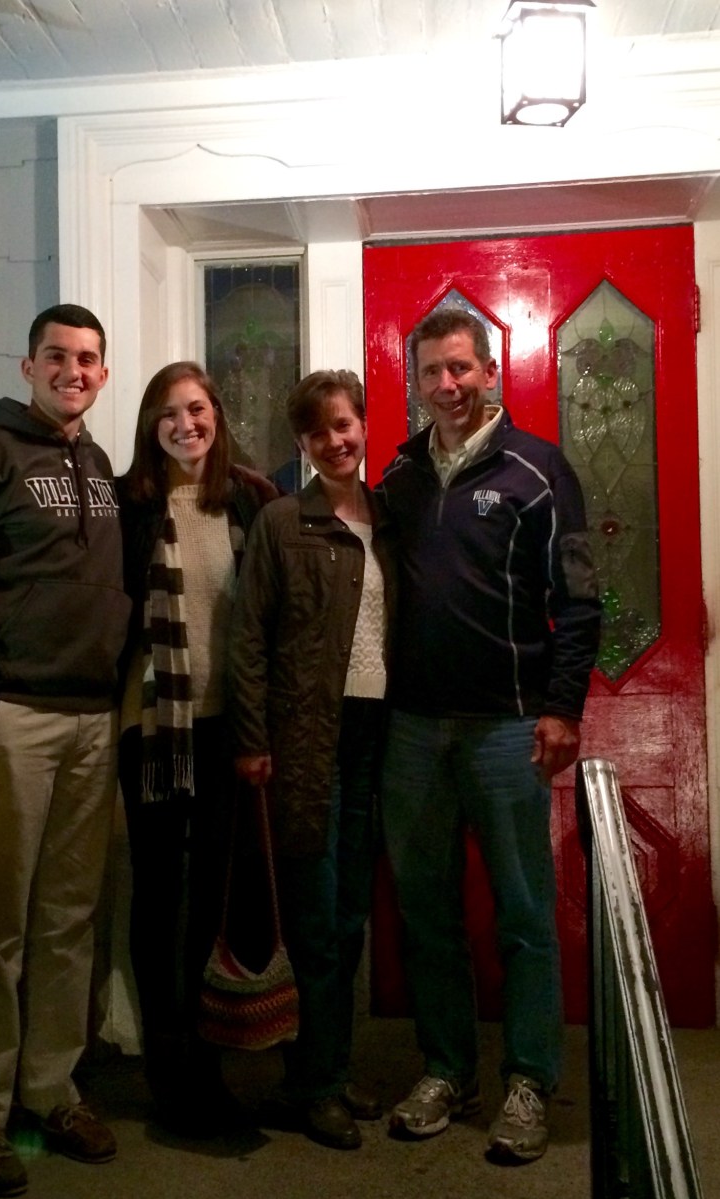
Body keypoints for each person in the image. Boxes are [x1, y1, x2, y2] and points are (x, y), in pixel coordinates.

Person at [377, 308, 601, 1164]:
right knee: (426, 911)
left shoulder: (538, 469)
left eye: (461, 368)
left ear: (489, 370)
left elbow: (578, 597)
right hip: (412, 728)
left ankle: (529, 1079)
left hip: (507, 727)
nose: (448, 385)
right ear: (415, 380)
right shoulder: (398, 473)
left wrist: (562, 706)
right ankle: (446, 1069)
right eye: (432, 371)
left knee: (523, 912)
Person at [0, 303, 130, 1197]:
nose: (71, 370)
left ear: (102, 374)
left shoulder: (99, 466)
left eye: (86, 359)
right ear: (28, 365)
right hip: (13, 721)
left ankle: (49, 1090)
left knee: (69, 918)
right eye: (56, 356)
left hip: (91, 720)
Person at [228, 369, 395, 1150]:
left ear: (363, 426)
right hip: (303, 741)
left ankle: (325, 1066)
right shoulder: (281, 522)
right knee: (316, 920)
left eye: (345, 424)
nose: (335, 440)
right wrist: (251, 739)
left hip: (374, 738)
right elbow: (248, 636)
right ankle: (312, 1085)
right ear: (301, 441)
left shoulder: (387, 520)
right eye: (319, 430)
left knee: (351, 914)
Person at [116, 360, 278, 1135]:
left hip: (224, 730)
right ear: (151, 428)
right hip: (151, 730)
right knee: (157, 897)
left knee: (213, 900)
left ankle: (208, 1067)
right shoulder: (129, 503)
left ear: (216, 414)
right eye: (168, 413)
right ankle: (166, 1072)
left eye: (197, 408)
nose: (185, 424)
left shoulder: (249, 498)